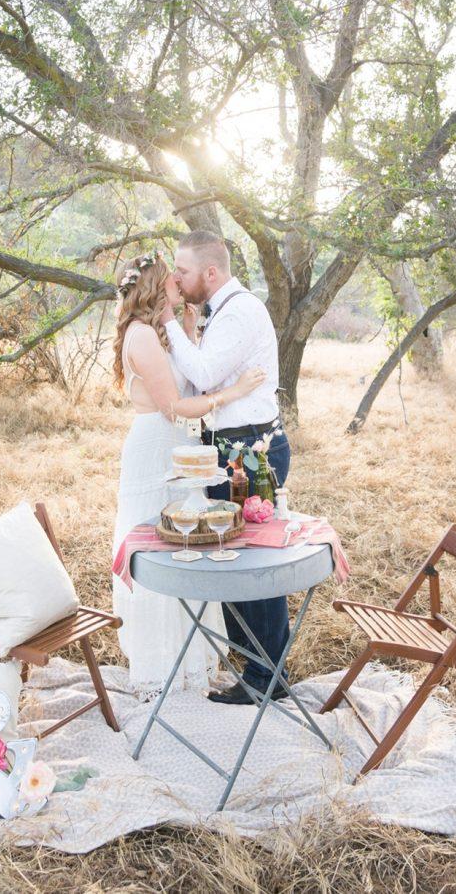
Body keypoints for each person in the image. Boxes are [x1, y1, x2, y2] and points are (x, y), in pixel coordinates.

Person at [111, 251, 266, 701]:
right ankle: (161, 666)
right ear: (159, 287)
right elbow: (175, 406)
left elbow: (189, 375)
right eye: (174, 278)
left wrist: (190, 323)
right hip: (157, 448)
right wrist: (233, 393)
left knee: (188, 546)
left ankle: (192, 661)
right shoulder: (140, 336)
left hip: (179, 449)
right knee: (162, 551)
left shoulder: (161, 331)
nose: (181, 281)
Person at [160, 230, 292, 705]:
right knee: (233, 560)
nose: (178, 278)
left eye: (184, 271)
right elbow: (202, 391)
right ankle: (256, 668)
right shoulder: (223, 311)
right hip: (231, 449)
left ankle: (267, 677)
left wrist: (168, 321)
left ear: (210, 273)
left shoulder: (239, 311)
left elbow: (204, 375)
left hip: (250, 455)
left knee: (253, 565)